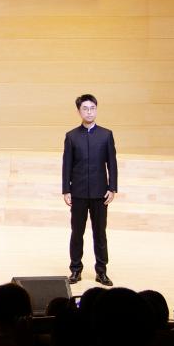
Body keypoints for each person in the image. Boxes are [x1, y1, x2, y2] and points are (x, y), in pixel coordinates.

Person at [61, 94, 118, 286]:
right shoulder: (71, 136)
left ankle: (101, 271)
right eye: (85, 108)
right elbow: (67, 165)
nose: (89, 112)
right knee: (77, 233)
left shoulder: (106, 135)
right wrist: (66, 190)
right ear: (79, 111)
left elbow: (112, 164)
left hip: (100, 193)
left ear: (96, 109)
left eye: (92, 108)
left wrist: (112, 188)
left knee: (100, 233)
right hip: (77, 193)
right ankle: (75, 270)